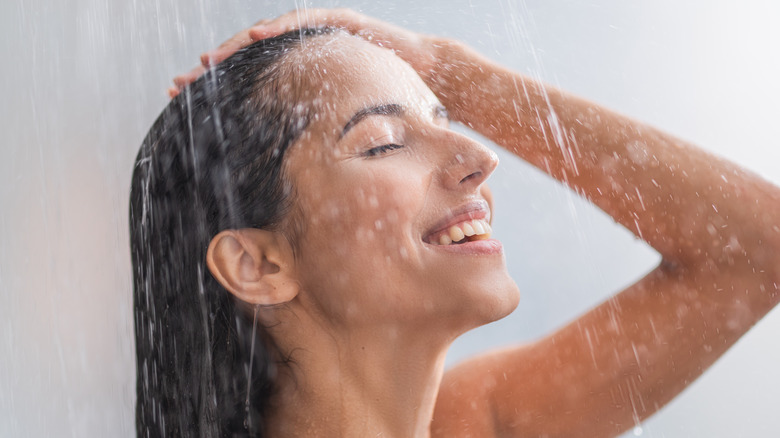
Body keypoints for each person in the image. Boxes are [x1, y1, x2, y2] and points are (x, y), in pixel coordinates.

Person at [132, 9, 780, 438]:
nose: (480, 157)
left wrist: (455, 73)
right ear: (259, 265)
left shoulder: (469, 424)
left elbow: (758, 250)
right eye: (382, 141)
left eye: (446, 120)